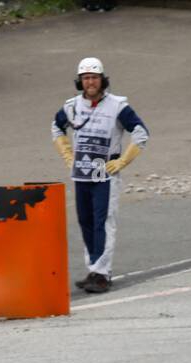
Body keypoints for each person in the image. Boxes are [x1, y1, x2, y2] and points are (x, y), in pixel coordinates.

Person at [51, 57, 149, 294]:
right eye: (86, 78)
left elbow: (141, 132)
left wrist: (122, 161)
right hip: (81, 173)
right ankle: (94, 269)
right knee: (85, 220)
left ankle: (102, 273)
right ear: (80, 81)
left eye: (94, 77)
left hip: (105, 173)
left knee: (103, 222)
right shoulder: (72, 106)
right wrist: (67, 155)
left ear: (102, 80)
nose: (90, 82)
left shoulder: (118, 106)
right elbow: (56, 127)